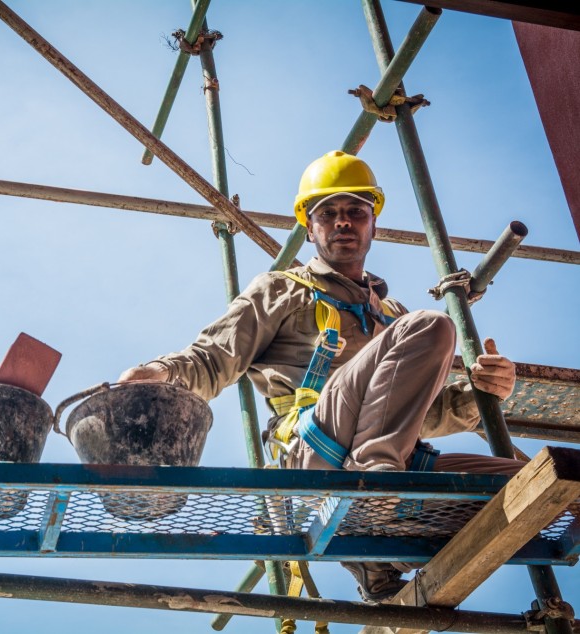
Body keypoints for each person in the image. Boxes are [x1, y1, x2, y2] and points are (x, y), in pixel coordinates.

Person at [119, 150, 524, 601]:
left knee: (542, 483)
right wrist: (161, 372)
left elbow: (418, 413)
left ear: (374, 225)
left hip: (391, 466)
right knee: (434, 326)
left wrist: (479, 394)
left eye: (355, 212)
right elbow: (213, 359)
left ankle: (385, 547)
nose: (343, 222)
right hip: (316, 454)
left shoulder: (392, 317)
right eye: (327, 213)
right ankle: (375, 490)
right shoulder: (281, 290)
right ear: (309, 229)